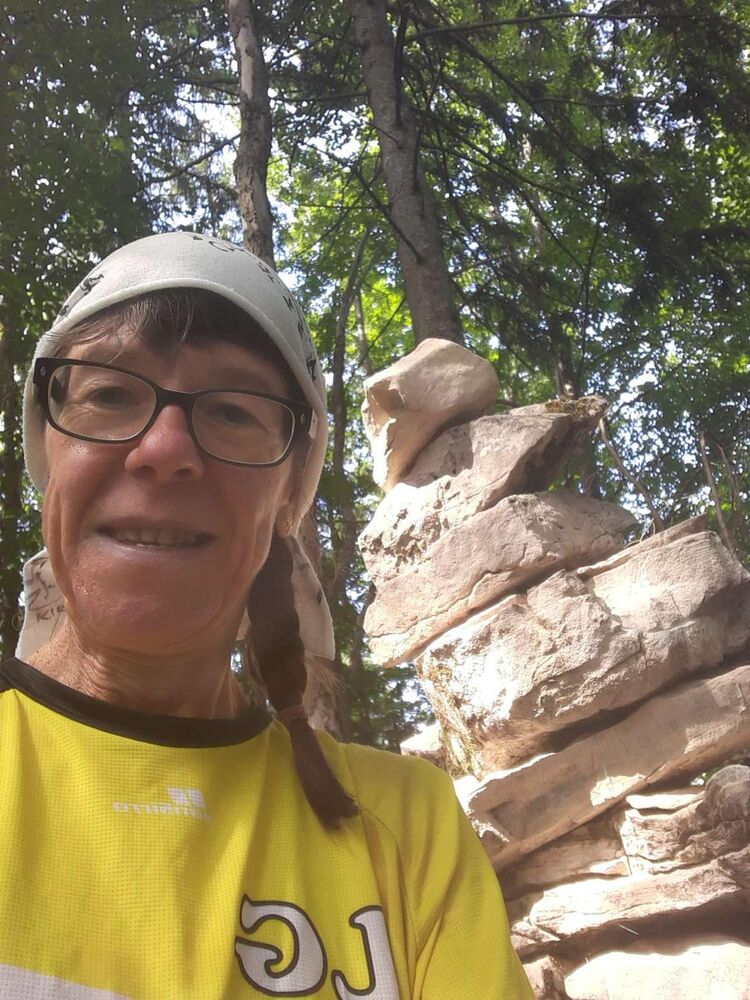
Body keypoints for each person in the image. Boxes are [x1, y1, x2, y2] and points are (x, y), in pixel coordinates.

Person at [0, 232, 533, 999]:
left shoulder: (407, 829)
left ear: (289, 493)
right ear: (47, 450)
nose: (164, 449)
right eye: (109, 395)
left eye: (233, 411)